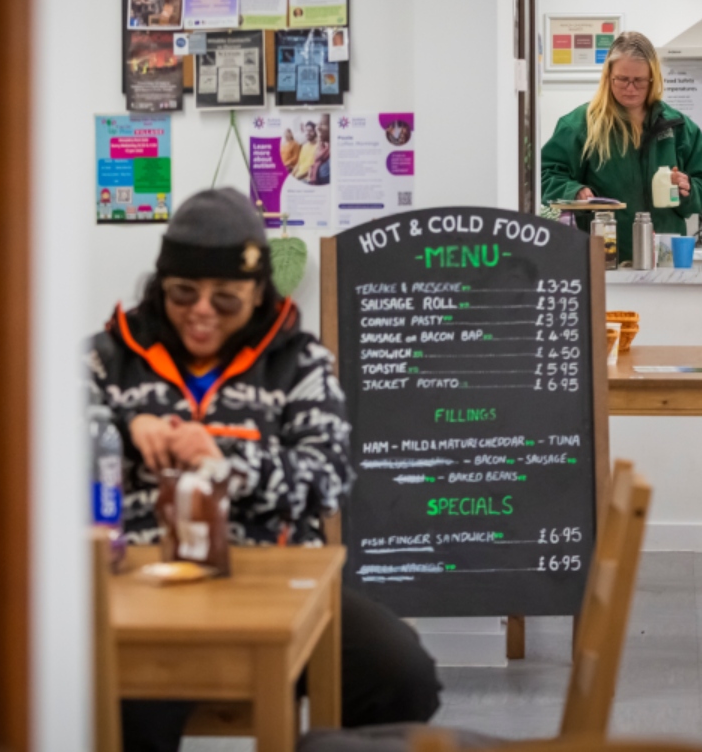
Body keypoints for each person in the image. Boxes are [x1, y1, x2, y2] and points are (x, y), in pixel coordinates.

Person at [86, 188, 441, 751]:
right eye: (182, 295)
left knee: (400, 675)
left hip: (276, 576)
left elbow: (328, 480)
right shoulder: (108, 358)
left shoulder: (299, 362)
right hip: (141, 587)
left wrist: (227, 460)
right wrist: (119, 433)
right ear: (159, 288)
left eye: (225, 300)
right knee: (128, 700)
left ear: (257, 293)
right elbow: (39, 448)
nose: (202, 313)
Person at [540, 31, 702, 263]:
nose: (630, 88)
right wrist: (573, 191)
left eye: (640, 81)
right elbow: (544, 176)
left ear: (653, 79)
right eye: (622, 79)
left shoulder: (681, 129)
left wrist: (688, 188)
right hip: (603, 261)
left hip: (664, 262)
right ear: (608, 77)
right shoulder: (579, 126)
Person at [309, 113, 331, 185]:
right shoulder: (323, 146)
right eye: (318, 124)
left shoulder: (334, 153)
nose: (318, 127)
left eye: (323, 123)